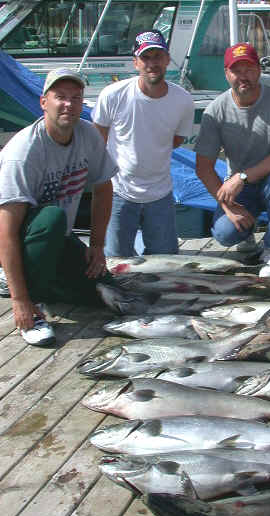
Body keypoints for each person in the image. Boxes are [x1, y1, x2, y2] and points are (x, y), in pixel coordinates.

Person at [0, 68, 118, 346]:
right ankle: (31, 301)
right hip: (19, 236)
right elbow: (5, 231)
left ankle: (41, 280)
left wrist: (97, 246)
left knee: (104, 291)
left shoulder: (88, 135)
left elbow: (104, 188)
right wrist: (20, 299)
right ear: (44, 102)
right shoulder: (23, 153)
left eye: (75, 98)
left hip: (56, 238)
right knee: (52, 218)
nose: (68, 104)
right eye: (60, 97)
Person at [195, 42, 270, 279]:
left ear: (259, 70)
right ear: (226, 74)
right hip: (242, 188)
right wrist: (227, 206)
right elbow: (203, 167)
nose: (243, 76)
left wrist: (241, 177)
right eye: (236, 70)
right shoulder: (215, 110)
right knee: (224, 233)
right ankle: (247, 234)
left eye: (249, 69)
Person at [92, 30, 195, 257]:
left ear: (167, 59)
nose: (152, 63)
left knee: (166, 263)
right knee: (116, 262)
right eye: (146, 57)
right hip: (118, 191)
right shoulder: (112, 94)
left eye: (158, 56)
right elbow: (98, 140)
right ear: (136, 62)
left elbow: (176, 141)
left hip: (161, 193)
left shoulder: (183, 100)